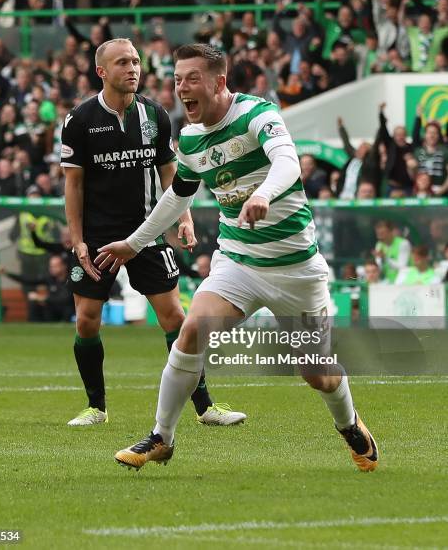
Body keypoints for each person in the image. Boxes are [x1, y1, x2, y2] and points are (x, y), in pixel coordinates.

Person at [96, 44, 378, 473]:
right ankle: (162, 438)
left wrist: (263, 193)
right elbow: (178, 196)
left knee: (316, 373)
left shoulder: (257, 115)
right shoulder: (188, 137)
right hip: (239, 262)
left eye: (192, 79)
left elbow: (287, 162)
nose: (181, 89)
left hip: (296, 269)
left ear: (219, 82)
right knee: (191, 332)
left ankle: (349, 424)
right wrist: (134, 243)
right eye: (176, 80)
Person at [61, 38, 245, 427]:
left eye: (135, 61)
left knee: (175, 317)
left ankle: (205, 406)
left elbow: (170, 172)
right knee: (86, 320)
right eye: (122, 63)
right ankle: (96, 407)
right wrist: (77, 239)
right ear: (102, 72)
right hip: (97, 236)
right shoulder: (79, 121)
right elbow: (73, 184)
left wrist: (184, 217)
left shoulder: (155, 115)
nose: (132, 69)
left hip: (147, 231)